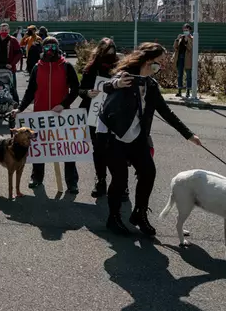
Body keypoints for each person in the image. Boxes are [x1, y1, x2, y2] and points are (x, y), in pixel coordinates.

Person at [99, 42, 202, 236]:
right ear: (148, 61)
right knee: (119, 180)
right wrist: (117, 84)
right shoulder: (126, 76)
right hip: (114, 137)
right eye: (158, 62)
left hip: (138, 138)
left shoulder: (151, 85)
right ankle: (113, 218)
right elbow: (108, 85)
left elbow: (166, 112)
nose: (160, 66)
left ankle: (139, 214)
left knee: (148, 173)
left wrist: (189, 135)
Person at [15, 36, 80, 193]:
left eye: (53, 47)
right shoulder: (37, 68)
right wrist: (20, 108)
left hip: (62, 115)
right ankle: (37, 177)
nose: (50, 50)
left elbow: (75, 89)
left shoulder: (66, 66)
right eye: (46, 47)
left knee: (67, 149)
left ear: (58, 48)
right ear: (42, 49)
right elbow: (30, 91)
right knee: (40, 147)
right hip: (40, 115)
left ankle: (72, 182)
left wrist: (63, 104)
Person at [78, 38, 122, 199]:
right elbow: (80, 90)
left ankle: (121, 184)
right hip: (94, 115)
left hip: (115, 114)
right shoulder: (91, 69)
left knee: (116, 149)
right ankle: (101, 180)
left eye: (112, 51)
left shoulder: (120, 68)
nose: (109, 55)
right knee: (98, 149)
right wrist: (87, 93)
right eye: (106, 52)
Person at [173, 23, 194, 98]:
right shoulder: (180, 37)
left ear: (190, 30)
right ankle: (179, 91)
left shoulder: (192, 38)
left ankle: (188, 92)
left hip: (187, 59)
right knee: (179, 75)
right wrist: (177, 39)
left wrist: (187, 40)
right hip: (180, 58)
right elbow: (175, 47)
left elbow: (190, 48)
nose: (185, 31)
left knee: (188, 76)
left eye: (187, 30)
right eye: (184, 30)